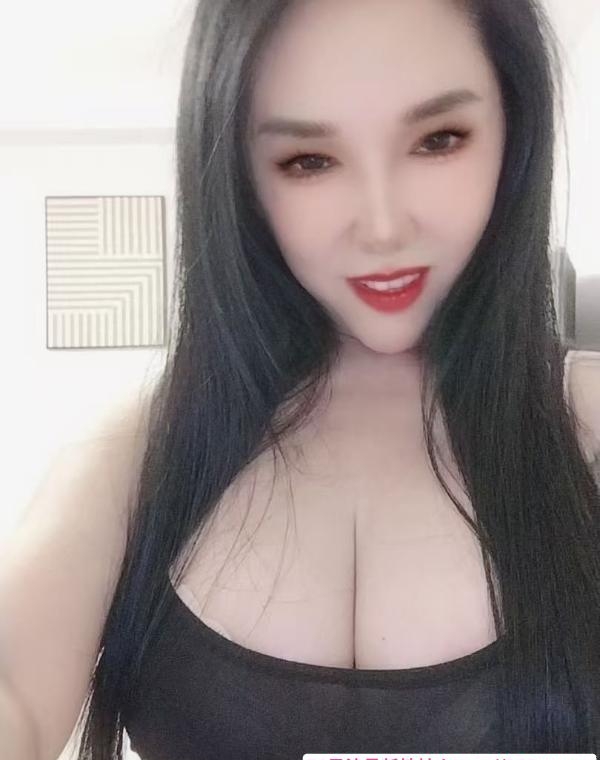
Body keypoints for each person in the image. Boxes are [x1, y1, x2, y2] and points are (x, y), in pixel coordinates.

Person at [2, 0, 600, 758]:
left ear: (513, 135)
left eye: (439, 140)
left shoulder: (586, 422)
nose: (382, 226)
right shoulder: (138, 455)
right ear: (241, 179)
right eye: (309, 160)